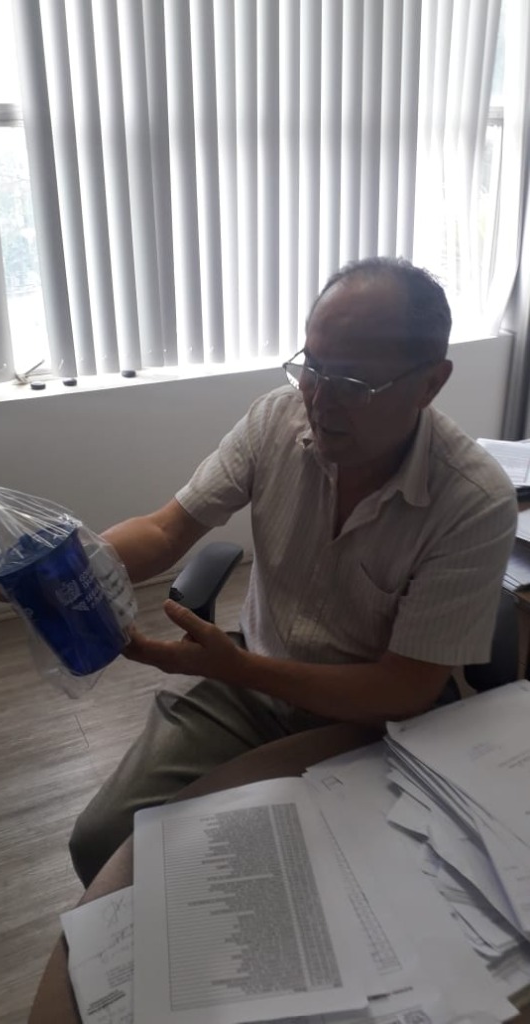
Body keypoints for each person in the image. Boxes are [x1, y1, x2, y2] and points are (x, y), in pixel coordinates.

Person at [69, 257, 517, 886]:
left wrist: (240, 668)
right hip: (251, 681)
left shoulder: (473, 501)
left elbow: (405, 689)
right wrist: (71, 567)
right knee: (102, 842)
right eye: (313, 366)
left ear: (430, 384)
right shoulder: (273, 422)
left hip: (372, 720)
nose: (320, 401)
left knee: (304, 883)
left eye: (354, 383)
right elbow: (167, 529)